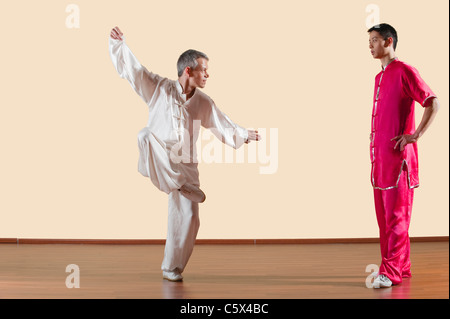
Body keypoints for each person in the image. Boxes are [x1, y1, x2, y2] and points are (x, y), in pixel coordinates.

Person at [109, 27, 260, 282]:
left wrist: (244, 134)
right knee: (144, 136)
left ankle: (172, 268)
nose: (207, 74)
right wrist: (119, 45)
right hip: (159, 157)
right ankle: (176, 183)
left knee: (190, 219)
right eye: (203, 69)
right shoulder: (158, 88)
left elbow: (222, 124)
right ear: (188, 71)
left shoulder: (203, 102)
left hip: (186, 166)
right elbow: (134, 71)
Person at [367, 23, 440, 288]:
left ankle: (391, 272)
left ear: (388, 41)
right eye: (369, 41)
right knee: (385, 219)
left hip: (400, 162)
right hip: (380, 161)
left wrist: (415, 135)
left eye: (375, 40)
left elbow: (433, 102)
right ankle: (401, 267)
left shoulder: (404, 71)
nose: (370, 45)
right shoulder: (379, 77)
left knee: (397, 219)